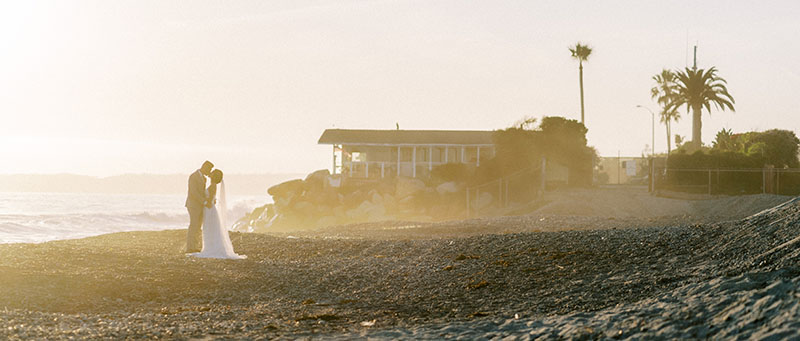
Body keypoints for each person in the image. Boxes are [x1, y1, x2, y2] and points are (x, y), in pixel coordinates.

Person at [189, 169, 246, 259]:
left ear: (213, 177)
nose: (209, 174)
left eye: (211, 173)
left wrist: (205, 202)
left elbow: (210, 200)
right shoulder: (213, 186)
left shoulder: (212, 186)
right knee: (210, 229)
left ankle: (211, 248)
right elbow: (212, 198)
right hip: (210, 209)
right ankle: (210, 247)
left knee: (209, 228)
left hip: (209, 210)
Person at [185, 161, 213, 253]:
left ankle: (195, 246)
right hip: (193, 205)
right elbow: (194, 192)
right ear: (204, 167)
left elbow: (201, 192)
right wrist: (204, 201)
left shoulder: (203, 178)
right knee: (193, 225)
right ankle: (190, 247)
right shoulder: (193, 176)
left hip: (200, 205)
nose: (209, 172)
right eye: (209, 169)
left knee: (198, 226)